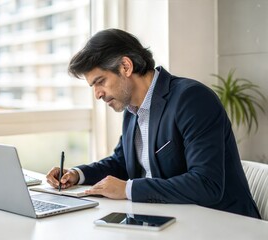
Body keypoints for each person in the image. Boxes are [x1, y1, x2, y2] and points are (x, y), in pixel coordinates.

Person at [46, 28, 261, 219]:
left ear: (125, 66)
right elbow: (121, 162)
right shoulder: (131, 109)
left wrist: (129, 189)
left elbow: (206, 184)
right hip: (165, 218)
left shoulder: (192, 99)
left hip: (222, 223)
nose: (98, 94)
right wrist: (76, 174)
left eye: (100, 82)